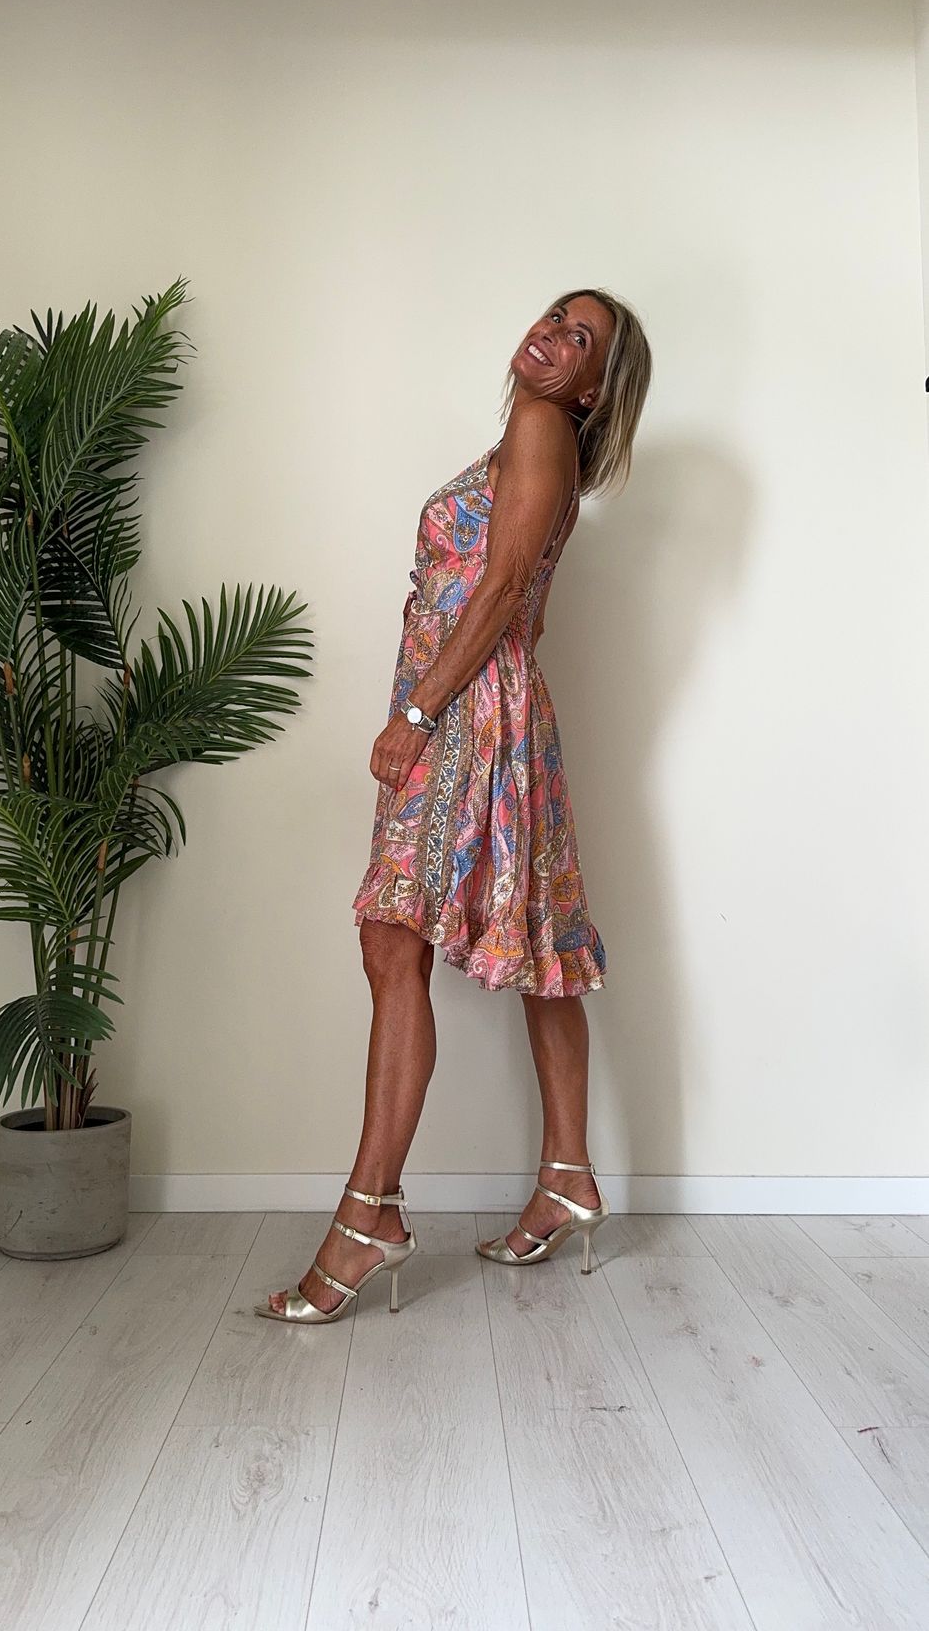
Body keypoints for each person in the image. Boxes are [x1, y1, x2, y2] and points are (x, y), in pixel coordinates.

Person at [255, 289, 652, 1323]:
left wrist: (418, 713)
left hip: (462, 708)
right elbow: (525, 605)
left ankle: (368, 1217)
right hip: (498, 702)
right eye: (554, 316)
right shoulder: (540, 439)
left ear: (594, 388)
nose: (550, 336)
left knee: (392, 940)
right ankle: (566, 1175)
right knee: (536, 939)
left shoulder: (538, 427)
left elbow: (503, 586)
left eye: (579, 339)